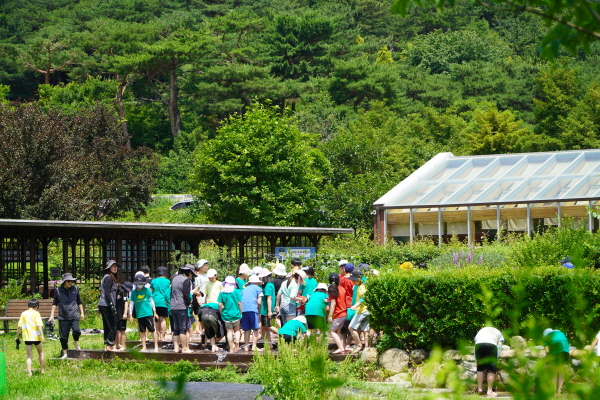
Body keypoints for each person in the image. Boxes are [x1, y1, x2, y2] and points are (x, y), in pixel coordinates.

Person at [48, 273, 84, 359]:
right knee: (63, 337)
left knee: (77, 331)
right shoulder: (58, 290)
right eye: (68, 281)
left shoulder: (75, 289)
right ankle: (65, 353)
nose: (70, 282)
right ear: (64, 282)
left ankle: (75, 342)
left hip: (74, 315)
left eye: (71, 281)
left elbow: (79, 302)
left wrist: (82, 313)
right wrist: (52, 315)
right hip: (63, 316)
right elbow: (54, 303)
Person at [170, 264, 198, 353]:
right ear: (189, 273)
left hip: (173, 306)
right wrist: (189, 302)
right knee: (183, 328)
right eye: (192, 274)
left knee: (176, 328)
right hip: (181, 307)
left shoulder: (174, 279)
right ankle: (185, 348)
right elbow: (186, 294)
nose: (192, 276)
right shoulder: (186, 280)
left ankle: (176, 348)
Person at [16, 299, 45, 376]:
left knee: (29, 356)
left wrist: (17, 336)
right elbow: (39, 325)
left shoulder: (23, 313)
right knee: (40, 352)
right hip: (36, 337)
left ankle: (29, 373)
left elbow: (19, 326)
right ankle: (42, 370)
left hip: (27, 337)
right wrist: (42, 336)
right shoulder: (36, 313)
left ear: (28, 306)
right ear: (37, 306)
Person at [129, 276, 159, 352]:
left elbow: (152, 301)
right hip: (139, 314)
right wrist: (130, 315)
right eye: (138, 283)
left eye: (141, 283)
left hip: (148, 313)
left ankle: (156, 346)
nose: (140, 285)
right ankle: (144, 347)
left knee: (152, 329)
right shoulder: (134, 292)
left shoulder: (147, 290)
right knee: (142, 331)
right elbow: (131, 303)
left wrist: (154, 312)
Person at [474, 326, 505, 397]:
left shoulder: (481, 331)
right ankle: (489, 391)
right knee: (491, 370)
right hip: (491, 345)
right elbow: (499, 346)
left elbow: (476, 343)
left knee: (480, 368)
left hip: (479, 345)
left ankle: (480, 389)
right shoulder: (499, 333)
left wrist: (476, 360)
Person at [98, 259, 120, 351]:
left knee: (108, 325)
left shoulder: (110, 277)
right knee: (112, 324)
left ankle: (107, 345)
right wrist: (111, 304)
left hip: (106, 304)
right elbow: (107, 291)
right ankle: (110, 345)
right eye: (113, 266)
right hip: (106, 304)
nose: (115, 268)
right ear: (109, 268)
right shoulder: (108, 277)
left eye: (116, 266)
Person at [218, 276, 243, 353]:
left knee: (229, 331)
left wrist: (221, 313)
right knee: (237, 330)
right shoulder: (236, 291)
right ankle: (237, 342)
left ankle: (231, 348)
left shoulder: (222, 292)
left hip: (226, 315)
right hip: (236, 314)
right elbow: (239, 303)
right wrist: (241, 312)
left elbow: (219, 304)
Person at [348, 270, 370, 355]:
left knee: (351, 327)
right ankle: (367, 347)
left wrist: (355, 306)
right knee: (365, 329)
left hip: (362, 311)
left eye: (354, 280)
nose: (353, 282)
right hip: (366, 310)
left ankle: (359, 345)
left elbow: (363, 298)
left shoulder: (362, 287)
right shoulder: (363, 284)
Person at [543, 328, 571, 395]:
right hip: (565, 349)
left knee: (554, 371)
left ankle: (553, 392)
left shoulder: (548, 336)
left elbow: (547, 350)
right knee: (561, 371)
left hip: (556, 349)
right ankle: (559, 391)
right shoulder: (560, 333)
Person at [241, 274, 263, 351]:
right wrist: (259, 310)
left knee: (247, 329)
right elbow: (259, 302)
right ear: (257, 282)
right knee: (255, 328)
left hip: (243, 310)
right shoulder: (258, 289)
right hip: (253, 309)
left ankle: (246, 346)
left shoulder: (244, 290)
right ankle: (254, 346)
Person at [327, 273, 347, 354]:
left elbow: (333, 303)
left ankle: (341, 347)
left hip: (337, 314)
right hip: (344, 313)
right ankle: (343, 347)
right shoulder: (342, 289)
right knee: (338, 332)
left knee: (332, 332)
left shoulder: (332, 290)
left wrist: (330, 315)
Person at [150, 266, 171, 341]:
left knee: (156, 319)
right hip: (164, 302)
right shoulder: (168, 281)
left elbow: (150, 291)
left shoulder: (153, 281)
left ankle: (158, 336)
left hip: (155, 301)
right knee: (163, 319)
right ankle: (163, 337)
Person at [258, 268, 277, 347]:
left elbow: (269, 298)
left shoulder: (268, 285)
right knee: (265, 327)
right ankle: (269, 345)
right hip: (264, 309)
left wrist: (269, 311)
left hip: (266, 309)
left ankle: (283, 333)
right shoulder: (269, 285)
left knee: (267, 326)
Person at [115, 281, 133, 351]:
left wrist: (125, 313)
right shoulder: (116, 291)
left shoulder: (123, 292)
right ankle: (116, 345)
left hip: (121, 313)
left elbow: (125, 303)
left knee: (122, 330)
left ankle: (123, 345)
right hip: (116, 313)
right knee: (116, 330)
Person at [193, 259, 209, 336]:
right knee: (199, 313)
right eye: (204, 265)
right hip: (200, 297)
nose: (206, 267)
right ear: (200, 267)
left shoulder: (207, 276)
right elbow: (197, 288)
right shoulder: (197, 276)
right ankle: (197, 328)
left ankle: (202, 329)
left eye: (207, 265)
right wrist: (198, 298)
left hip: (206, 297)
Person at [271, 263, 287, 329]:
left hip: (276, 299)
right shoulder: (286, 281)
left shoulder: (273, 281)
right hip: (285, 299)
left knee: (276, 316)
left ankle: (282, 330)